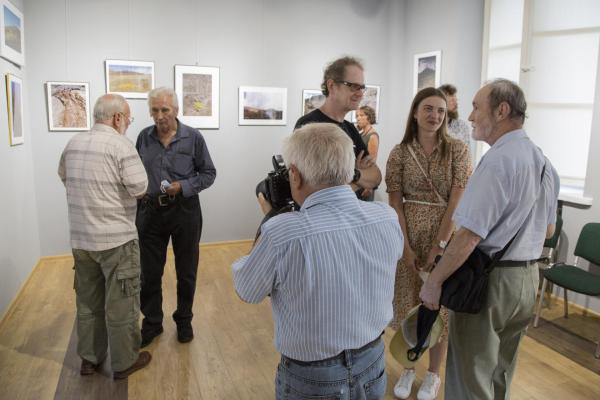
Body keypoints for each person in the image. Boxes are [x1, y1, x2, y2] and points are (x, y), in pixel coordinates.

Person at [232, 123, 403, 400]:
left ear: (295, 176)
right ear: (349, 171)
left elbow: (247, 290)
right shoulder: (387, 217)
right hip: (373, 361)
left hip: (311, 376)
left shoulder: (281, 232)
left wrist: (269, 220)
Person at [419, 79, 560, 400]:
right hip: (526, 282)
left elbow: (469, 235)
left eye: (476, 107)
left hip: (490, 284)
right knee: (501, 373)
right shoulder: (543, 163)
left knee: (469, 378)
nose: (469, 117)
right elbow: (549, 231)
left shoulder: (497, 161)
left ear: (501, 111)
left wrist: (434, 282)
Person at [385, 87, 472, 400]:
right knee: (409, 302)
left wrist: (441, 243)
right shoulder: (399, 152)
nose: (435, 116)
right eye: (428, 109)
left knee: (438, 307)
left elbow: (458, 198)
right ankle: (409, 366)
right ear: (415, 112)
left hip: (445, 232)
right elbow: (395, 201)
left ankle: (434, 374)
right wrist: (404, 245)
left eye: (440, 111)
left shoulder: (458, 150)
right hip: (407, 231)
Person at [58, 94, 152, 379]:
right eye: (128, 119)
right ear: (117, 118)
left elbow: (63, 175)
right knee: (122, 304)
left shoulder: (73, 143)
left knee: (87, 303)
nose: (127, 124)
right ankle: (124, 363)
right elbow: (139, 187)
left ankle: (89, 359)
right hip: (117, 241)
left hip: (81, 240)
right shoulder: (121, 145)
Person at [136, 87, 216, 347]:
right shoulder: (143, 138)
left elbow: (208, 174)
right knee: (149, 273)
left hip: (185, 211)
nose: (160, 116)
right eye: (155, 110)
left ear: (176, 110)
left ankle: (184, 320)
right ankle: (152, 322)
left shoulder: (193, 138)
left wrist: (183, 186)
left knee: (186, 270)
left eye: (165, 110)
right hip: (151, 212)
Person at [295, 56, 381, 200]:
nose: (360, 94)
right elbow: (311, 188)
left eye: (362, 88)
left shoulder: (350, 129)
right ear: (332, 86)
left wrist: (353, 175)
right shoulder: (308, 125)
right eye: (353, 86)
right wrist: (358, 178)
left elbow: (376, 176)